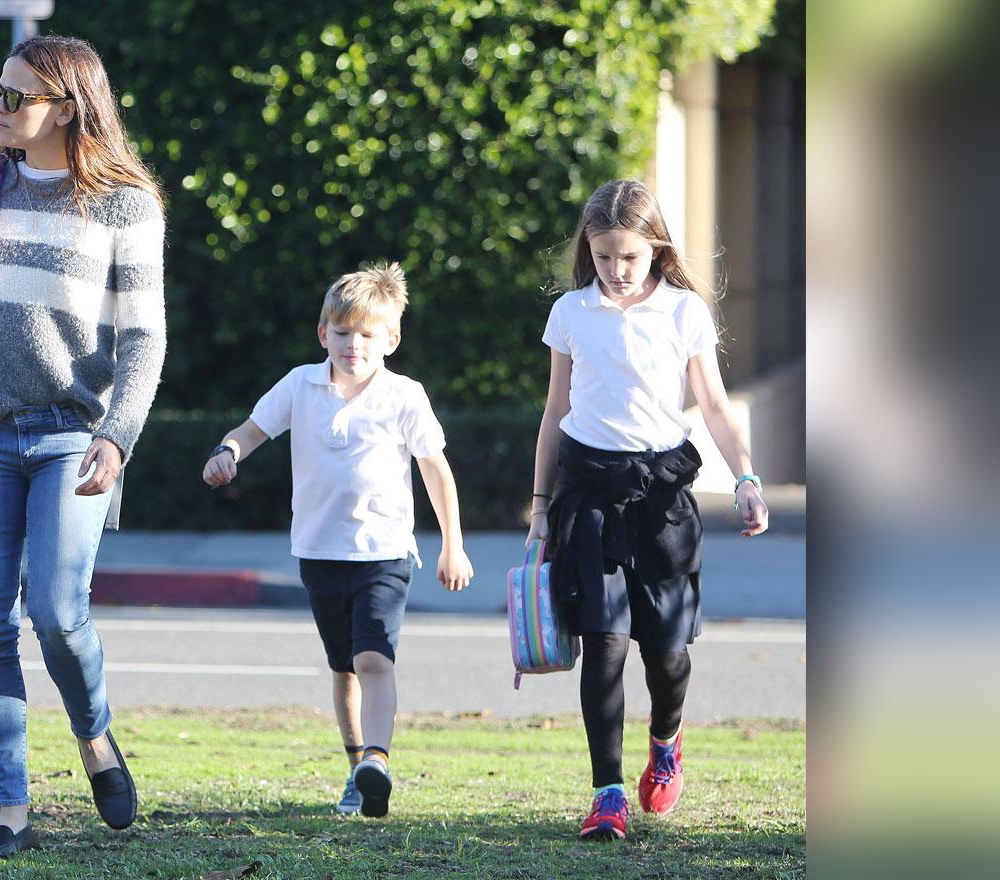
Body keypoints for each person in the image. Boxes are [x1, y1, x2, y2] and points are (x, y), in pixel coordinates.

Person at [0, 35, 165, 858]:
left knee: (57, 613)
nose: (0, 107)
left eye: (17, 96)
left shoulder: (123, 202)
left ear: (70, 106)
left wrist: (118, 436)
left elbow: (143, 339)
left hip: (71, 437)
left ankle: (94, 736)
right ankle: (10, 811)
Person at [526, 180, 770, 841]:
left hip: (661, 494)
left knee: (665, 654)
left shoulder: (684, 312)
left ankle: (667, 739)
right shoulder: (571, 313)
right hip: (588, 494)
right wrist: (541, 505)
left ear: (655, 249)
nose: (615, 271)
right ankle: (607, 793)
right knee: (603, 643)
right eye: (603, 257)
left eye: (628, 257)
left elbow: (715, 407)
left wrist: (746, 477)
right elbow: (556, 411)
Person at [202, 263, 473, 819]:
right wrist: (227, 453)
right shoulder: (301, 384)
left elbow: (435, 471)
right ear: (324, 333)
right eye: (343, 332)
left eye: (368, 334)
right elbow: (251, 430)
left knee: (374, 658)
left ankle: (377, 759)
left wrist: (453, 543)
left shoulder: (405, 396)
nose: (354, 344)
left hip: (385, 553)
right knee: (343, 666)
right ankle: (357, 768)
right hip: (318, 553)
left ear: (391, 340)